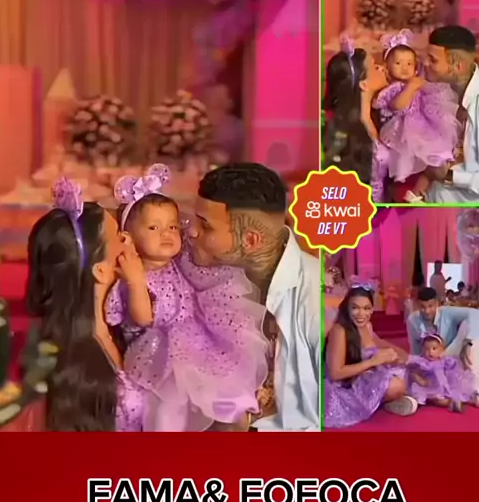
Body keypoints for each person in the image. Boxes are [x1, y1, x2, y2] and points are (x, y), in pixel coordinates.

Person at [105, 164, 268, 432]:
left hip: (193, 337)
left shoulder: (179, 263)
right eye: (154, 227)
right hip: (158, 350)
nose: (167, 234)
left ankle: (238, 409)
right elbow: (144, 318)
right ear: (128, 237)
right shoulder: (133, 276)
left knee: (221, 370)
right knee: (170, 406)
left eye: (172, 226)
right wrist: (135, 282)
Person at [189, 162, 320, 431]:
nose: (191, 231)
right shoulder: (195, 276)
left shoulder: (311, 295)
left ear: (250, 241)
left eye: (206, 226)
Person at [26, 178, 146, 431]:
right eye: (119, 237)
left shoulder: (123, 324)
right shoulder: (65, 363)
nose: (128, 239)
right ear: (101, 270)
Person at [373, 30, 459, 202]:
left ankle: (419, 190)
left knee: (437, 151)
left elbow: (433, 92)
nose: (405, 68)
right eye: (398, 63)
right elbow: (397, 106)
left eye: (409, 63)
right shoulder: (394, 88)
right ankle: (409, 192)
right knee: (410, 159)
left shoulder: (417, 80)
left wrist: (421, 85)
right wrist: (411, 87)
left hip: (423, 123)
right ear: (387, 67)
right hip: (403, 128)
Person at [324, 286, 416, 429]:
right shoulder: (340, 330)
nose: (361, 314)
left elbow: (377, 342)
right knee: (396, 386)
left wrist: (400, 353)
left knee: (408, 371)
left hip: (364, 374)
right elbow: (335, 374)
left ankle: (386, 402)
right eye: (355, 308)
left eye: (366, 308)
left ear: (372, 309)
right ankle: (385, 403)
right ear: (347, 308)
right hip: (345, 386)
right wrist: (373, 361)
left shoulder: (367, 326)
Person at [323, 37, 390, 201]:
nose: (382, 68)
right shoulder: (344, 132)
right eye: (374, 67)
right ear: (363, 84)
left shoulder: (383, 114)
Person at [423, 26, 479, 203]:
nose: (425, 63)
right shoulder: (441, 93)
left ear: (458, 66)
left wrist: (448, 175)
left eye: (433, 60)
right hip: (434, 198)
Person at [406, 286, 479, 390]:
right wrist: (416, 368)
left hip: (451, 355)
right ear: (417, 304)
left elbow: (476, 313)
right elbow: (415, 349)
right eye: (422, 307)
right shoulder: (412, 320)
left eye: (430, 306)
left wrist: (468, 341)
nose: (427, 311)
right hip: (430, 362)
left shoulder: (447, 312)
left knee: (467, 327)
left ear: (437, 303)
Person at [407, 332, 477, 411]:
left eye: (434, 349)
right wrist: (421, 380)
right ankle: (452, 404)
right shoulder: (423, 363)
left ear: (441, 350)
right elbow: (414, 372)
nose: (430, 352)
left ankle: (470, 400)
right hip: (430, 387)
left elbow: (453, 366)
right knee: (438, 399)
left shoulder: (443, 361)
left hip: (443, 386)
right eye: (426, 349)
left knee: (456, 394)